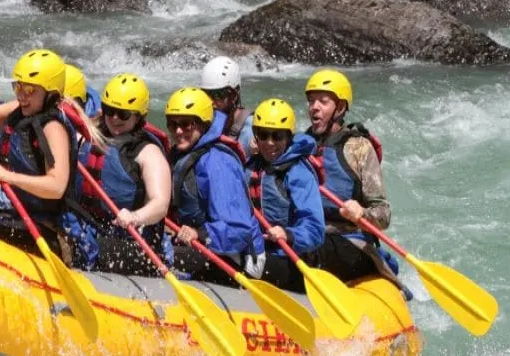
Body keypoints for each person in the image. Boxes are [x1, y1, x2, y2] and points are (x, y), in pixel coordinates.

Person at [0, 49, 98, 268]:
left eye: (30, 89)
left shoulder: (53, 128)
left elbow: (57, 186)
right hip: (19, 215)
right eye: (18, 87)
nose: (22, 95)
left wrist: (11, 177)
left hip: (51, 225)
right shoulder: (19, 110)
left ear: (50, 93)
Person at [303, 68, 395, 283]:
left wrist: (362, 213)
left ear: (341, 107)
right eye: (311, 101)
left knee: (312, 249)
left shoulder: (359, 148)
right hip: (309, 234)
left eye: (322, 102)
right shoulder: (300, 145)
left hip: (350, 241)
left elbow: (383, 213)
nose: (314, 108)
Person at [165, 88, 265, 285]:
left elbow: (238, 230)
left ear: (204, 124)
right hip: (202, 244)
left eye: (186, 124)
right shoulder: (182, 154)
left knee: (162, 256)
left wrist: (200, 234)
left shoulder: (217, 162)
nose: (178, 131)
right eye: (173, 124)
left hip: (238, 257)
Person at [79, 73, 172, 276]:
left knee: (101, 249)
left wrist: (134, 217)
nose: (114, 119)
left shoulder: (148, 152)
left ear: (139, 116)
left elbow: (160, 203)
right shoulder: (91, 133)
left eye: (123, 114)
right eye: (110, 111)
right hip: (89, 228)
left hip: (127, 239)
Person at [246, 98, 325, 292]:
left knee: (241, 264)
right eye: (263, 136)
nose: (269, 143)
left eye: (277, 136)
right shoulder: (250, 167)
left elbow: (315, 229)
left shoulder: (298, 173)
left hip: (291, 258)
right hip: (259, 250)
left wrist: (288, 234)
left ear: (289, 137)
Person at [201, 55, 253, 158]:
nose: (211, 102)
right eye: (206, 95)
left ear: (233, 96)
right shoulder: (202, 122)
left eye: (218, 95)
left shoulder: (250, 130)